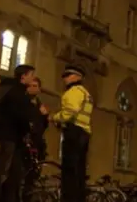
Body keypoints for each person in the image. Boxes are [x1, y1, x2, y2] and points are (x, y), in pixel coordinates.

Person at [0, 64, 38, 202]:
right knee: (2, 172)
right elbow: (19, 116)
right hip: (8, 136)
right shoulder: (17, 92)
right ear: (23, 76)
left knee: (13, 172)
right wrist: (29, 127)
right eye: (31, 75)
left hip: (10, 136)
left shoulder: (13, 90)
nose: (33, 78)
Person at [49, 65, 93, 202]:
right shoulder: (86, 93)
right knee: (79, 172)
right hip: (84, 133)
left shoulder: (74, 91)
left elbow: (70, 112)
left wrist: (54, 117)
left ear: (77, 77)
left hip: (74, 132)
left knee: (69, 172)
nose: (65, 79)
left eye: (68, 76)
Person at [22, 76, 49, 202]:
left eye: (35, 86)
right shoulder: (23, 102)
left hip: (37, 144)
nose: (32, 88)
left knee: (33, 178)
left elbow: (44, 126)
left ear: (39, 89)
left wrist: (45, 116)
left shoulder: (40, 105)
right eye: (30, 86)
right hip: (25, 143)